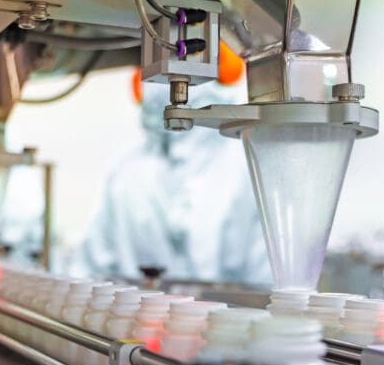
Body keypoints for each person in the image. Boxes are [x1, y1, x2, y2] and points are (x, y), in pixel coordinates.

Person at [73, 78, 271, 284]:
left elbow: (270, 284)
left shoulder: (249, 169)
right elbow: (90, 273)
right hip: (137, 314)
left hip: (233, 314)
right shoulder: (126, 176)